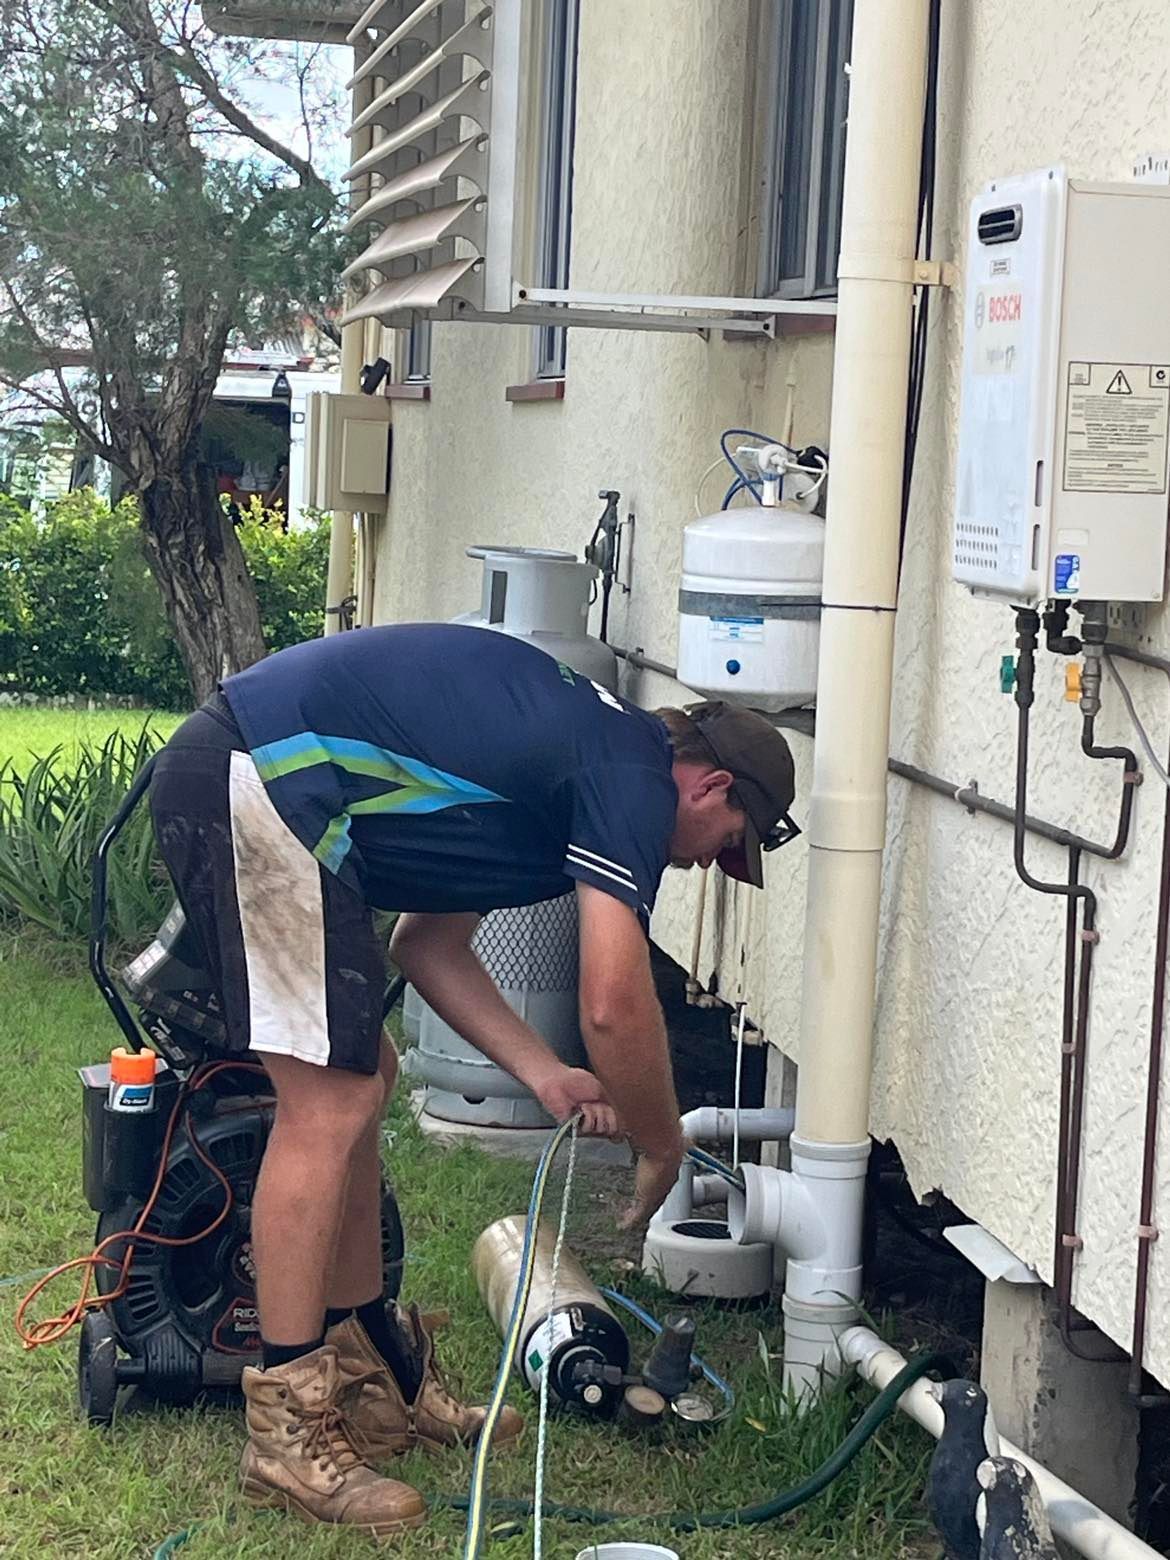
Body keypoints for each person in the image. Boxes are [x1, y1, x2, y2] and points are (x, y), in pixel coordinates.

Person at [149, 622, 797, 1537]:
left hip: (274, 786)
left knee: (363, 1074)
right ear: (711, 784)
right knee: (329, 1102)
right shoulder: (629, 774)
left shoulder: (571, 766)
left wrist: (544, 1073)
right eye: (722, 842)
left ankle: (372, 1371)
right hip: (255, 777)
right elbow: (613, 999)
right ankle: (285, 1433)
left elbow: (429, 943)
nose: (699, 864)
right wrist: (662, 1143)